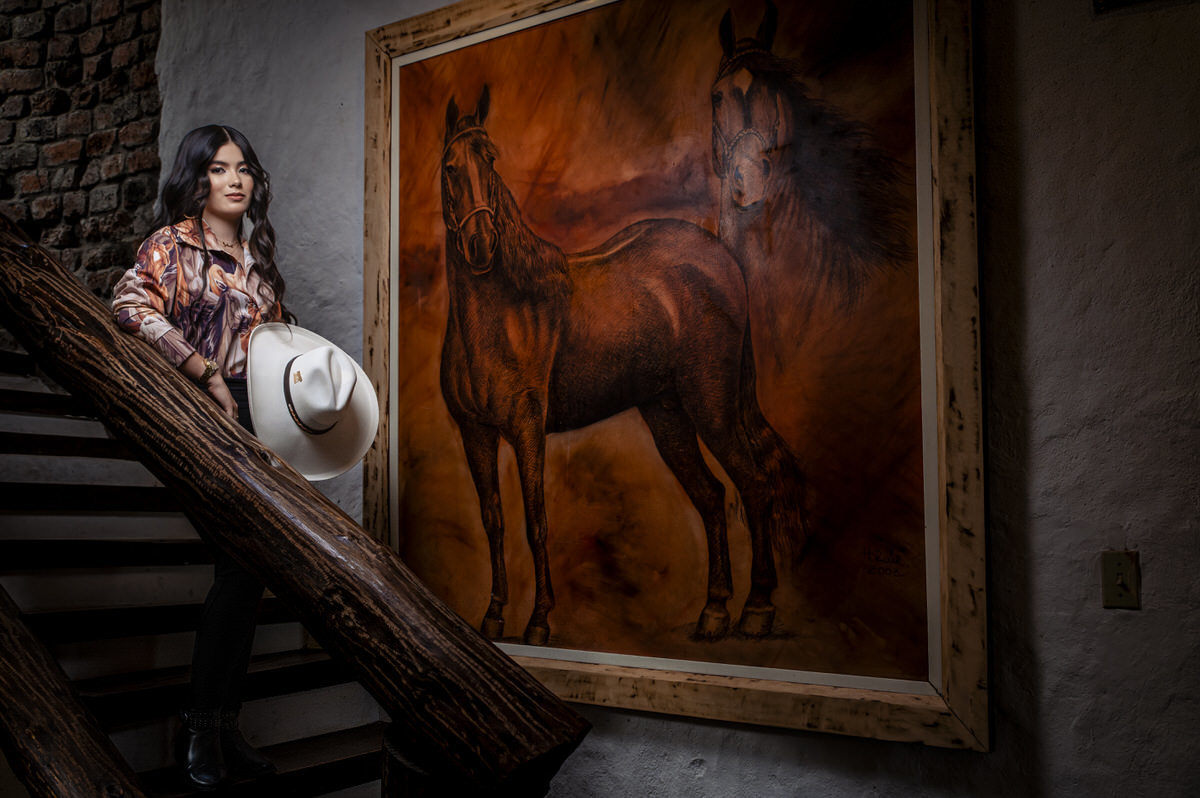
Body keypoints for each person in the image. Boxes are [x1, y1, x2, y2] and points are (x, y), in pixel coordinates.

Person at [111, 124, 293, 789]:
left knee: (249, 569)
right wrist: (203, 370)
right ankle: (203, 726)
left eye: (244, 167)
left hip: (260, 416)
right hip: (202, 409)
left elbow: (277, 344)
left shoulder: (258, 257)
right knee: (242, 565)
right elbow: (129, 304)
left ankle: (218, 724)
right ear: (198, 180)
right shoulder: (173, 244)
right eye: (220, 169)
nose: (237, 179)